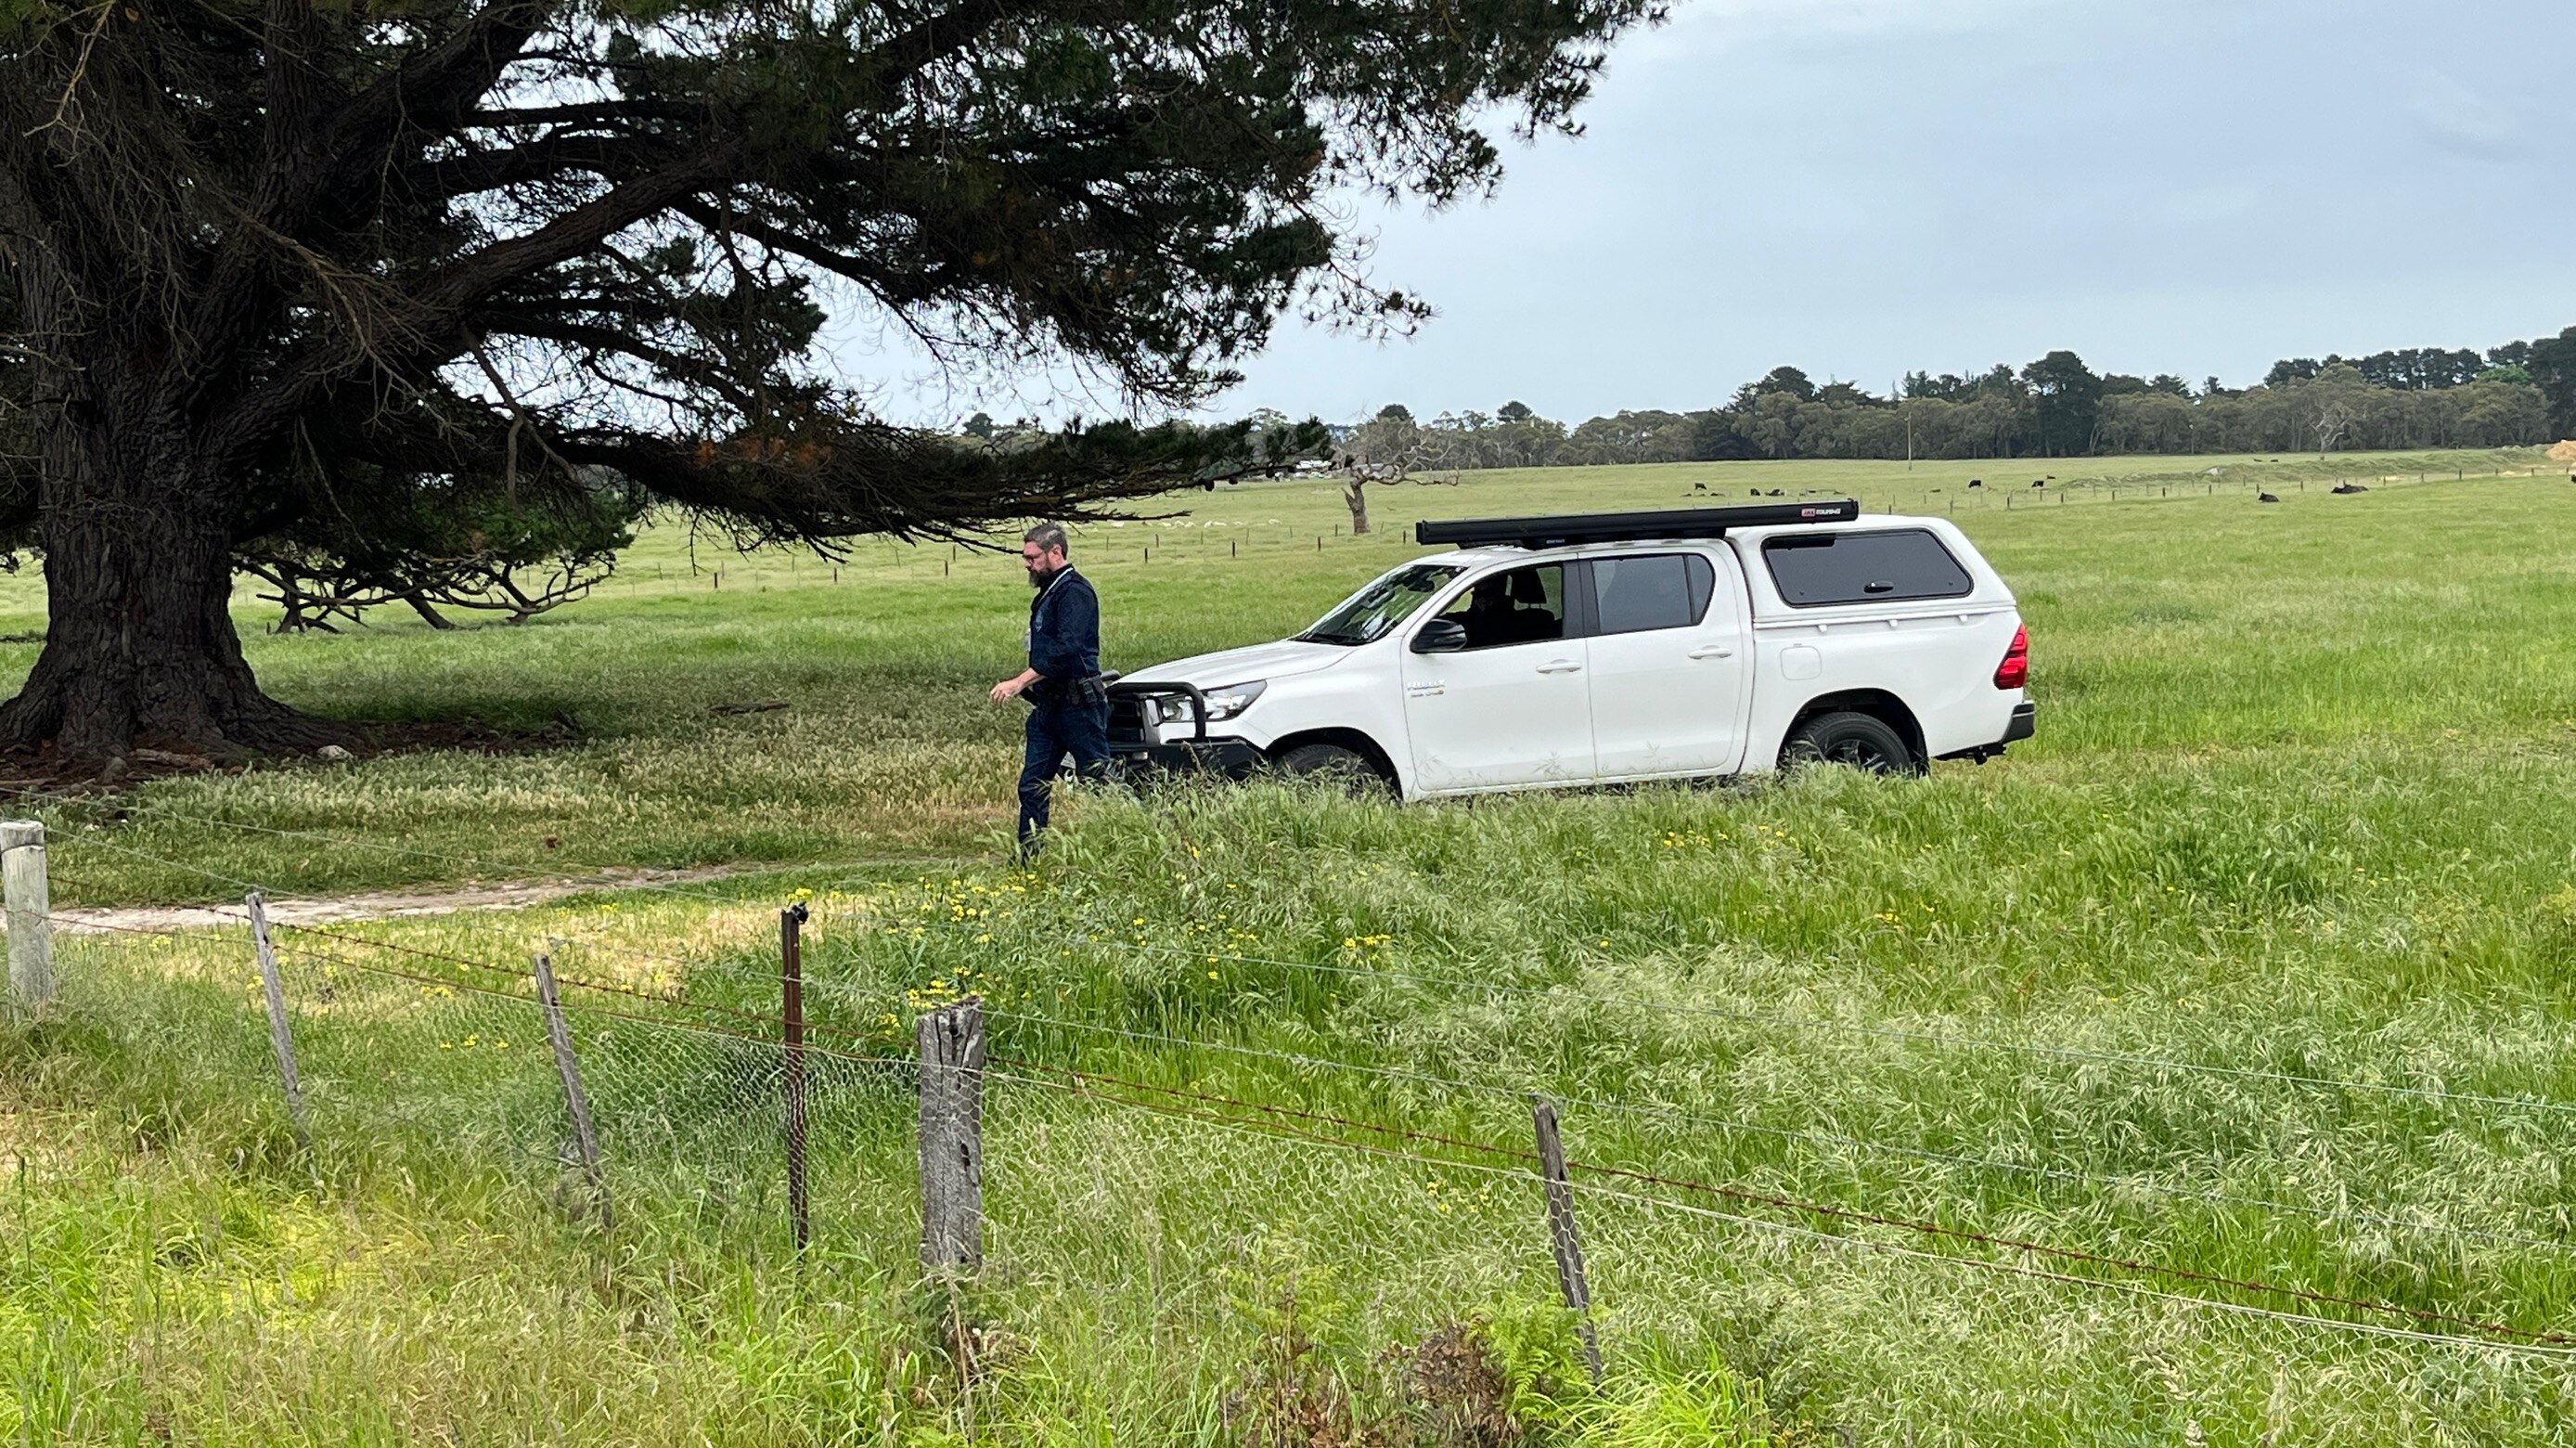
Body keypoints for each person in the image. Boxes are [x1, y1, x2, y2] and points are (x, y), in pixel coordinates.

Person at [990, 523, 1108, 851]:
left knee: (1099, 780)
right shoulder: (1049, 591)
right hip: (1049, 708)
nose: (1027, 564)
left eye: (1032, 557)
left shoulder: (1075, 592)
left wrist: (1019, 681)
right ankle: (1030, 861)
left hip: (1078, 705)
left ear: (1055, 552)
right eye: (1025, 558)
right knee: (1032, 786)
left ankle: (1137, 839)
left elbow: (1067, 649)